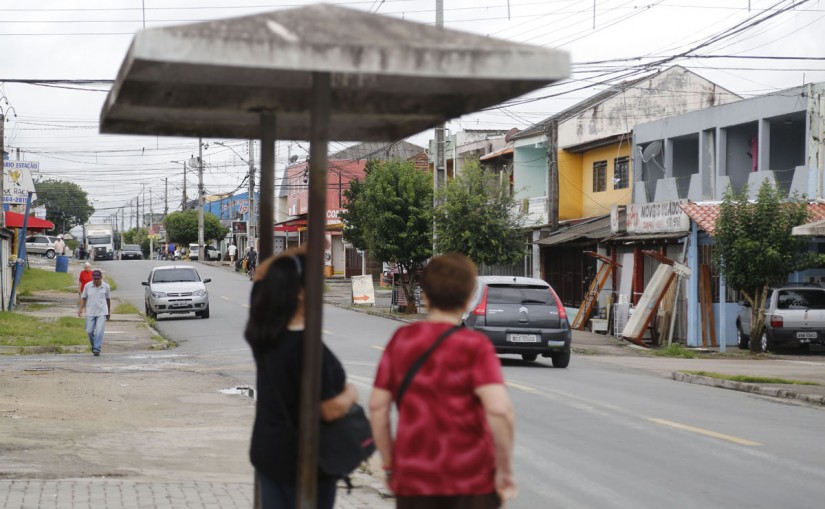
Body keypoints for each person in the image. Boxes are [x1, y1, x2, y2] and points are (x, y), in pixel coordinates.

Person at [369, 253, 517, 509]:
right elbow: (499, 410)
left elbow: (378, 408)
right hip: (471, 482)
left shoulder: (402, 340)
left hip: (415, 482)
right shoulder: (475, 346)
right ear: (468, 298)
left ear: (424, 295)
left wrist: (391, 464)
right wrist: (503, 470)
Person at [244, 249, 359, 509]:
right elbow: (329, 409)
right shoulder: (309, 350)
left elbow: (261, 274)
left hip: (269, 453)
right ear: (301, 293)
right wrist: (351, 393)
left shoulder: (262, 334)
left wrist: (299, 254)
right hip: (306, 461)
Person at [77, 269, 111, 357]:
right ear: (92, 278)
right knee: (89, 331)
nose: (96, 281)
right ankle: (94, 345)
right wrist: (80, 309)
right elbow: (84, 298)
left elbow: (108, 299)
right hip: (90, 312)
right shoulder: (88, 286)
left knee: (99, 331)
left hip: (102, 312)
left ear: (101, 278)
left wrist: (109, 312)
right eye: (94, 279)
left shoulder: (106, 287)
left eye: (98, 279)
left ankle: (97, 348)